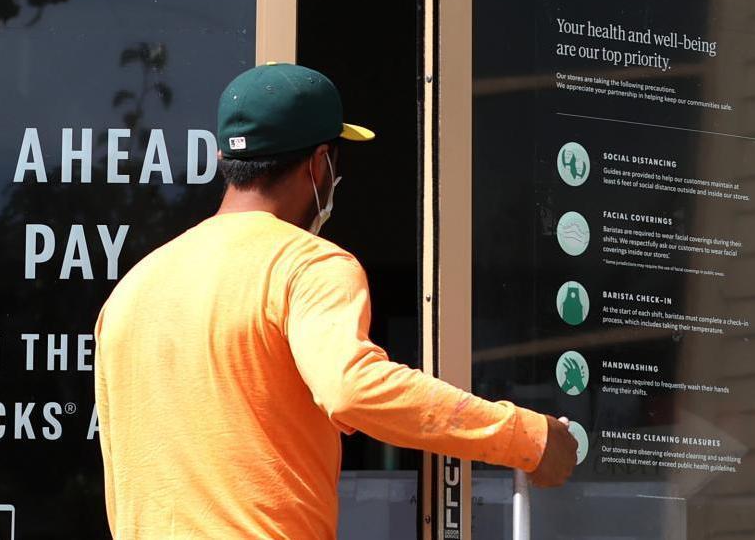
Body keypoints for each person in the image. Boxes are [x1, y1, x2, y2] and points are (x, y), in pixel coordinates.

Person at [95, 64, 578, 540]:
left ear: (225, 159)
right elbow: (353, 389)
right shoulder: (308, 265)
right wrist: (527, 437)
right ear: (319, 164)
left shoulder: (132, 290)